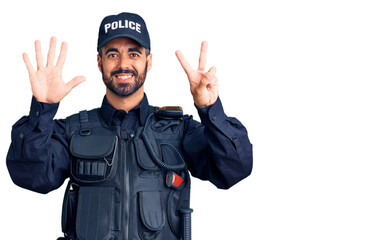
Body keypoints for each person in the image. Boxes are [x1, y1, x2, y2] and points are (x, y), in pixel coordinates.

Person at [6, 12, 253, 240]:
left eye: (134, 53)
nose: (123, 63)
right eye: (112, 54)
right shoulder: (72, 130)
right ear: (99, 62)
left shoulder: (179, 129)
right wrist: (43, 108)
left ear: (149, 60)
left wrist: (211, 109)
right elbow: (32, 177)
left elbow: (232, 170)